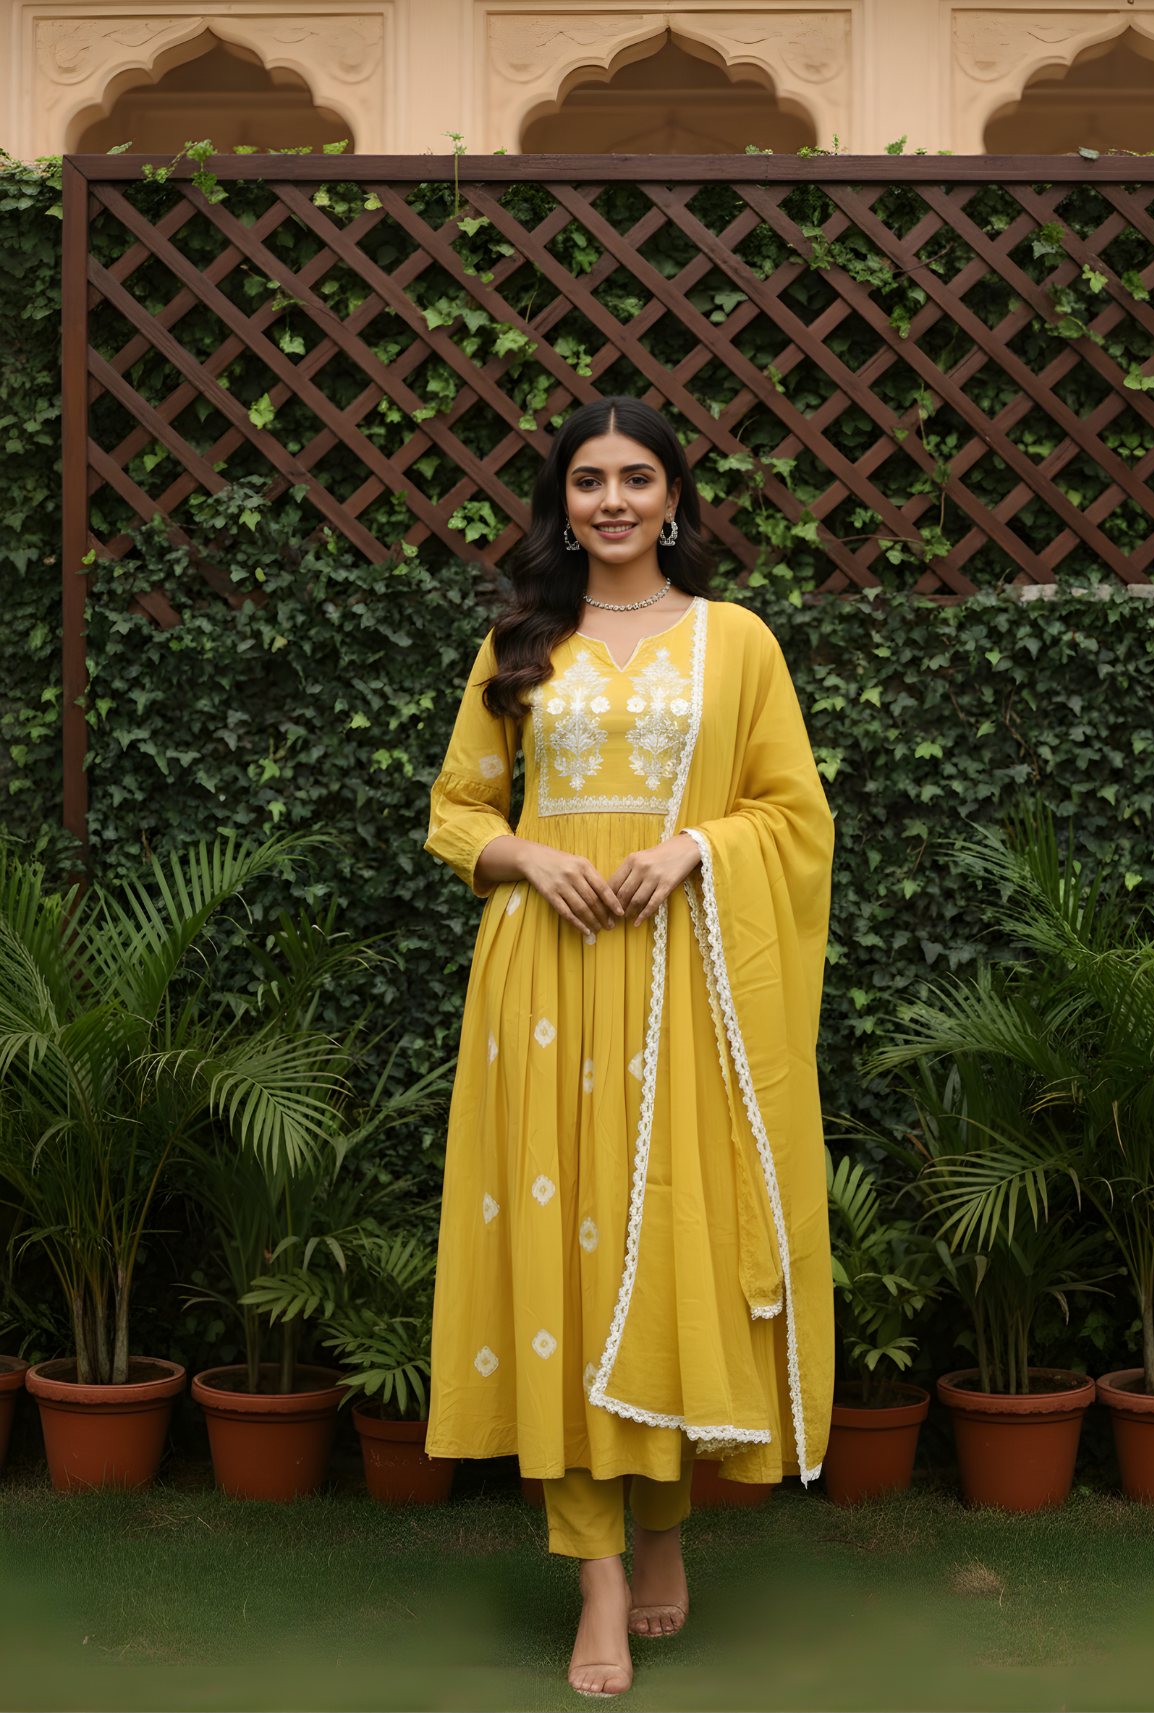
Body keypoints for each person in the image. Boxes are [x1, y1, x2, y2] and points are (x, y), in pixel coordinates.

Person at [424, 396, 834, 1696]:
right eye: (587, 479)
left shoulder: (734, 644)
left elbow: (792, 809)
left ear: (672, 498)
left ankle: (664, 1526)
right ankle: (594, 1575)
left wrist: (692, 847)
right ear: (562, 501)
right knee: (557, 1263)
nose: (610, 500)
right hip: (541, 987)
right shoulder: (519, 639)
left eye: (634, 477)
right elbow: (452, 810)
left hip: (680, 987)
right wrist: (532, 855)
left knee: (662, 1257)